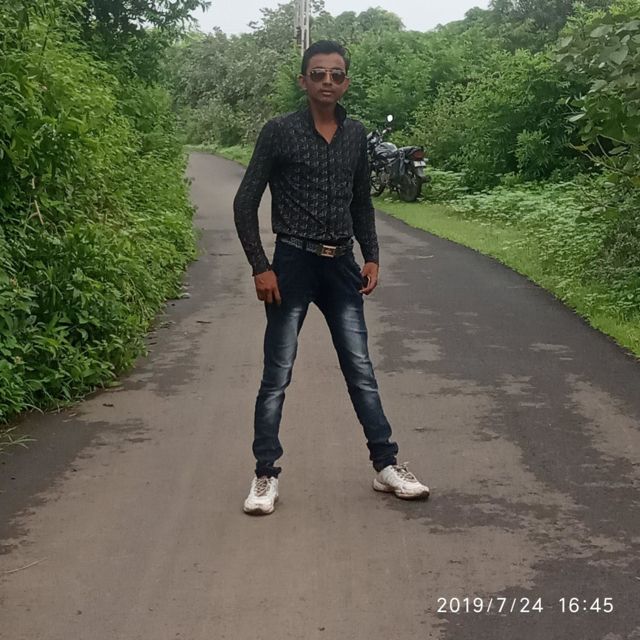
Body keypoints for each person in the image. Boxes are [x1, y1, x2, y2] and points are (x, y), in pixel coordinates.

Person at [233, 40, 429, 515]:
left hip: (341, 265)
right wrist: (260, 265)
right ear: (303, 80)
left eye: (336, 74)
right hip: (292, 264)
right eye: (318, 73)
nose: (327, 81)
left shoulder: (356, 135)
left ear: (346, 82)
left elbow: (361, 200)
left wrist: (372, 255)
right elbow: (245, 201)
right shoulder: (279, 132)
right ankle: (265, 474)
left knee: (361, 370)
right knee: (277, 374)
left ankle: (387, 465)